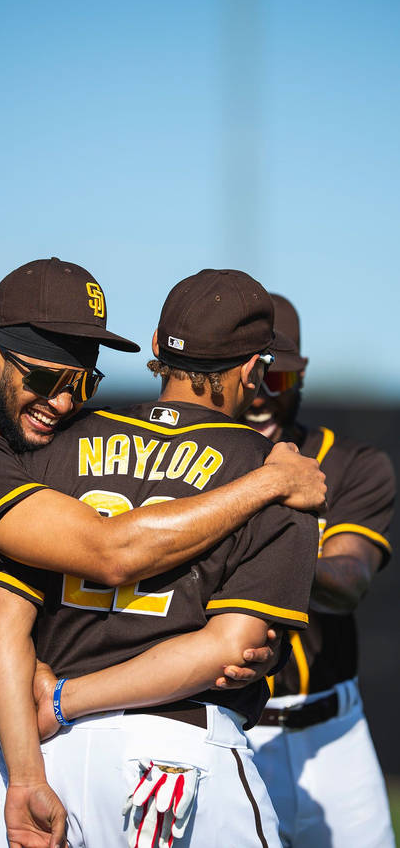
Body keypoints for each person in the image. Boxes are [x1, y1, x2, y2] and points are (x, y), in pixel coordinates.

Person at [0, 260, 325, 848]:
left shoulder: (57, 452)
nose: (63, 400)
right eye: (47, 377)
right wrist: (268, 483)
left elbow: (12, 613)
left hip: (48, 741)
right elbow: (111, 550)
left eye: (82, 381)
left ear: (155, 347)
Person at [241, 293, 395, 848]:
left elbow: (348, 582)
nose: (261, 395)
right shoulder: (189, 464)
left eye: (277, 380)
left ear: (300, 379)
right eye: (252, 377)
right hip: (228, 730)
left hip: (332, 733)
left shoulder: (352, 463)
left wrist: (248, 545)